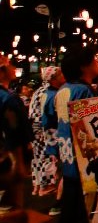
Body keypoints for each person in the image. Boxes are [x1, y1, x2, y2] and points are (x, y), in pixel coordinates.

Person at [53, 46, 98, 223]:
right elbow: (87, 131)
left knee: (66, 220)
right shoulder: (83, 92)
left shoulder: (63, 89)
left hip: (68, 162)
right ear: (84, 66)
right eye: (94, 60)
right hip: (83, 166)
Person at [0, 55, 32, 210]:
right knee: (12, 210)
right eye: (10, 65)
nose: (14, 68)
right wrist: (18, 161)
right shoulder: (8, 99)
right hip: (6, 161)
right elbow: (13, 132)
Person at [29, 66, 64, 197]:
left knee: (38, 157)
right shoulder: (50, 92)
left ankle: (37, 186)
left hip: (35, 126)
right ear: (54, 78)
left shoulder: (39, 90)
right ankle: (46, 186)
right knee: (47, 156)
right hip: (44, 126)